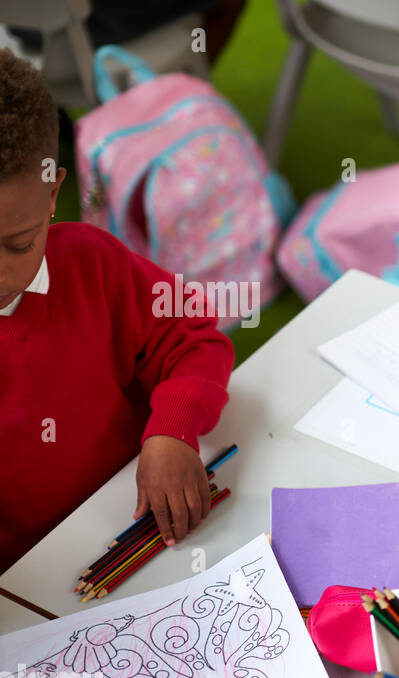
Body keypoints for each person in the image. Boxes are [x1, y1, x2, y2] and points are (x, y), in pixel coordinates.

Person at [0, 48, 235, 573]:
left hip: (140, 534)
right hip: (28, 589)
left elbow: (193, 338)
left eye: (17, 244)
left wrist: (172, 428)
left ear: (53, 194)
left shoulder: (92, 263)